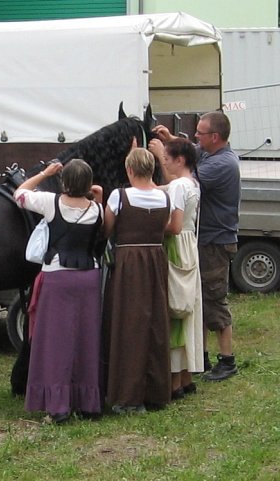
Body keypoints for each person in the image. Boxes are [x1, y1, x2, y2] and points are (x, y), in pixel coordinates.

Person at [14, 159, 104, 423]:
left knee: (55, 342)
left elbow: (19, 194)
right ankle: (87, 403)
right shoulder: (97, 210)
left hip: (57, 277)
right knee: (86, 340)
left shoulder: (51, 203)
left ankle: (58, 407)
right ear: (88, 184)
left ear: (64, 182)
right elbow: (104, 231)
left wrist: (44, 173)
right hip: (89, 277)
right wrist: (96, 195)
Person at [152, 111, 240, 382]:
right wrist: (171, 139)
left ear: (215, 137)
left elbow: (183, 174)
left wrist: (159, 156)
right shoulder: (213, 153)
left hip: (215, 242)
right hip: (205, 239)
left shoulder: (220, 165)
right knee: (198, 299)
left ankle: (227, 360)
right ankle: (199, 356)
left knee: (214, 299)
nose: (195, 139)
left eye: (199, 134)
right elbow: (192, 151)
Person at [103, 148, 171, 413]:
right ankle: (155, 392)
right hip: (155, 260)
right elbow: (163, 228)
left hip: (129, 262)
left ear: (129, 170)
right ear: (152, 169)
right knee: (155, 322)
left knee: (128, 325)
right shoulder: (164, 198)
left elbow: (106, 230)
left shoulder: (119, 196)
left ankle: (127, 396)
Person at [149, 138, 204, 399]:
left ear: (180, 160)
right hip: (190, 245)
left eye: (167, 159)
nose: (165, 163)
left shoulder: (179, 186)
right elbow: (162, 187)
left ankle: (173, 382)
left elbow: (174, 224)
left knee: (173, 307)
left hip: (175, 246)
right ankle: (186, 376)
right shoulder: (192, 182)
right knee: (187, 307)